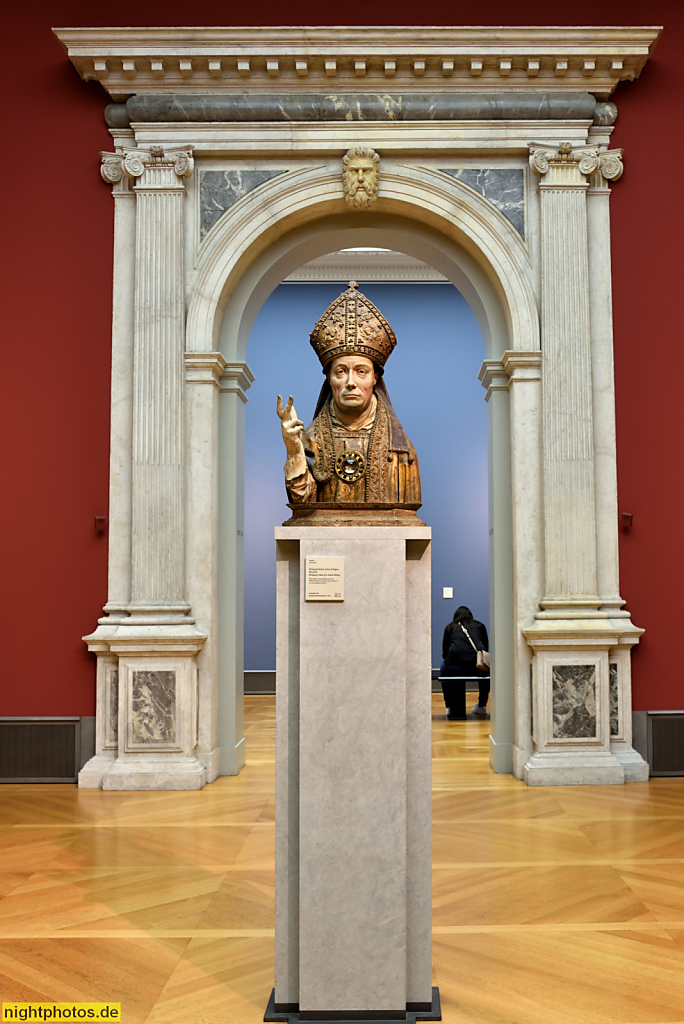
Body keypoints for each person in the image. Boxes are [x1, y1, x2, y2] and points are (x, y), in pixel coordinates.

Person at [277, 282, 421, 507]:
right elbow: (302, 505)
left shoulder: (400, 450)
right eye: (341, 372)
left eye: (361, 372)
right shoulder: (309, 441)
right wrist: (294, 451)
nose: (350, 382)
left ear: (375, 378)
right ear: (330, 379)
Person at [440, 606, 490, 719]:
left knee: (443, 667)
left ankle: (448, 705)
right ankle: (482, 705)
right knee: (487, 667)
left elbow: (445, 652)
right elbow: (485, 650)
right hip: (476, 667)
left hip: (454, 667)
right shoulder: (479, 626)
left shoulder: (450, 627)